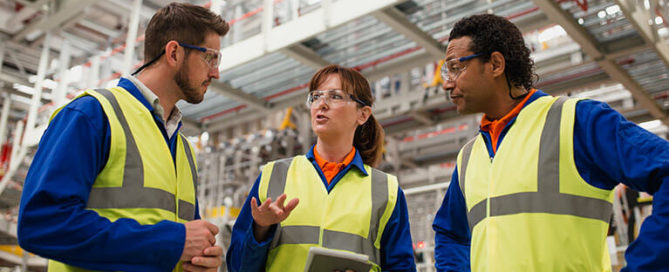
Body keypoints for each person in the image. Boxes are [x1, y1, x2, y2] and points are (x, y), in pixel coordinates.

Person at [432, 14, 669, 271]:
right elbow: (451, 234)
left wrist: (645, 266)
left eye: (456, 67)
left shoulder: (578, 122)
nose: (446, 83)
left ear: (495, 64)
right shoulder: (469, 156)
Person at [18, 3, 229, 272]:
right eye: (211, 58)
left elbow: (184, 242)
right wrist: (172, 241)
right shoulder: (92, 115)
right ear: (174, 52)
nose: (216, 73)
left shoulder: (184, 149)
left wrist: (200, 259)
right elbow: (41, 223)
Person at [226, 65, 417, 272]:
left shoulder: (385, 190)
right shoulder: (273, 176)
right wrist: (260, 229)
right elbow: (237, 267)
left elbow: (402, 268)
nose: (321, 104)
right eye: (316, 96)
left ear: (362, 114)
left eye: (335, 96)